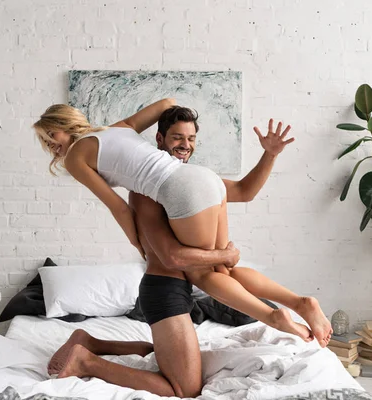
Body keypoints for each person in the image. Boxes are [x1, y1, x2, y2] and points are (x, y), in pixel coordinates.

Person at [45, 106, 332, 397]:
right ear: (157, 140)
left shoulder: (174, 182)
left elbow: (245, 191)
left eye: (191, 138)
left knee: (215, 272)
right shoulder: (145, 191)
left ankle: (287, 310)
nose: (185, 144)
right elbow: (173, 258)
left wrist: (269, 154)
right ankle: (87, 358)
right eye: (176, 137)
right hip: (165, 288)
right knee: (185, 386)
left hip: (186, 246)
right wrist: (222, 255)